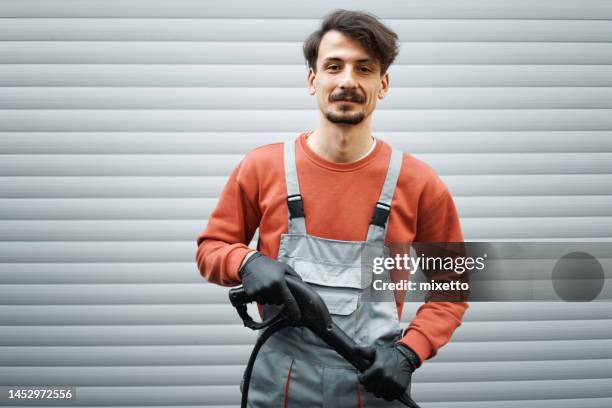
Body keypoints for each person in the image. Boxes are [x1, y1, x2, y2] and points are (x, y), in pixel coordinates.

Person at [196, 9, 468, 407]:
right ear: (312, 79)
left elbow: (453, 287)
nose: (347, 81)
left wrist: (410, 353)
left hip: (373, 388)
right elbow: (210, 249)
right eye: (334, 66)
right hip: (278, 389)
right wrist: (246, 261)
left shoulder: (420, 183)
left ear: (383, 83)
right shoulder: (262, 167)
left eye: (364, 69)